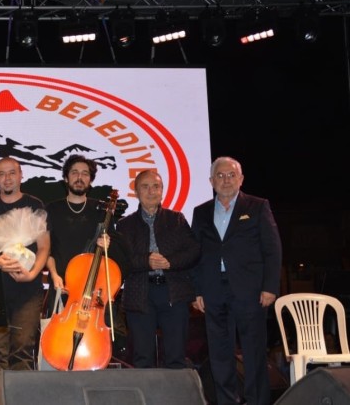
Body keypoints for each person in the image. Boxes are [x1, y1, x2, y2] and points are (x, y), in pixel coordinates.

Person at [192, 156, 282, 405]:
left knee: (253, 352)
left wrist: (270, 286)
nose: (226, 180)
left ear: (241, 179)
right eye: (220, 176)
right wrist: (197, 290)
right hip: (213, 290)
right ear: (211, 181)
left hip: (250, 291)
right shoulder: (201, 212)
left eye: (231, 175)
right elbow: (196, 253)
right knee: (220, 355)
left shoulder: (258, 206)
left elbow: (272, 249)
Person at [0, 157, 50, 403]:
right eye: (2, 174)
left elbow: (44, 247)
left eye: (12, 173)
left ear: (21, 175)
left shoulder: (34, 204)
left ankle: (21, 400)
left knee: (23, 349)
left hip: (28, 291)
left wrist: (33, 273)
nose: (7, 178)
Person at [115, 169, 200, 369]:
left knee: (176, 357)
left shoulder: (177, 219)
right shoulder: (124, 225)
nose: (151, 191)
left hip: (174, 294)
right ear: (136, 191)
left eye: (156, 186)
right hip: (139, 294)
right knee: (142, 358)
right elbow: (121, 261)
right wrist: (147, 262)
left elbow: (194, 251)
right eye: (145, 187)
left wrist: (170, 262)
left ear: (162, 190)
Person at [44, 154, 124, 314]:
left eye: (85, 173)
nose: (79, 177)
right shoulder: (51, 209)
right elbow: (46, 250)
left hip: (93, 290)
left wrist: (108, 244)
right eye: (74, 172)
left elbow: (114, 254)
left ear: (90, 180)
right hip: (61, 286)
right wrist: (54, 275)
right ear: (66, 178)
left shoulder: (103, 211)